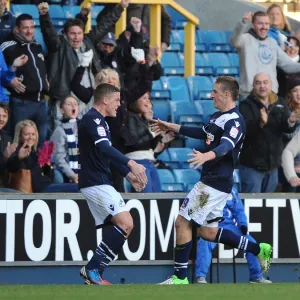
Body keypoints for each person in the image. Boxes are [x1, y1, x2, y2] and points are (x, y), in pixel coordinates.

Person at [151, 76, 272, 285]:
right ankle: (258, 249)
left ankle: (179, 278)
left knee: (182, 222)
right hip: (214, 181)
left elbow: (226, 146)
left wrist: (206, 156)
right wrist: (168, 125)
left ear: (227, 94)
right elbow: (201, 132)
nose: (211, 95)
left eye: (215, 92)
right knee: (208, 232)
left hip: (213, 183)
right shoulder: (218, 116)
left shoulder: (235, 121)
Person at [78, 83, 147, 285]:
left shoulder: (100, 121)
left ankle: (94, 272)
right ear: (105, 100)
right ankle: (92, 269)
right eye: (117, 100)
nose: (119, 104)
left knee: (121, 226)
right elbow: (106, 149)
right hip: (95, 181)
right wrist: (131, 163)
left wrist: (127, 174)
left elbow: (104, 155)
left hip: (99, 180)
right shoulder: (93, 120)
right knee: (126, 223)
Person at [196, 187, 272, 284]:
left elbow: (239, 210)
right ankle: (201, 277)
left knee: (251, 242)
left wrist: (243, 224)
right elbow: (198, 210)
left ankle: (256, 277)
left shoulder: (232, 190)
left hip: (229, 226)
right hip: (211, 226)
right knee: (204, 242)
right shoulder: (206, 188)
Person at [239, 73, 299, 193]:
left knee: (267, 206)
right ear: (253, 86)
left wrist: (291, 121)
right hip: (252, 167)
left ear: (271, 85)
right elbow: (243, 132)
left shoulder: (280, 102)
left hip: (272, 167)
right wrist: (261, 124)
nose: (262, 86)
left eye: (265, 82)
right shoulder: (245, 105)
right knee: (253, 206)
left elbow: (286, 128)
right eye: (258, 83)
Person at [0, 13, 49, 147]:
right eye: (25, 28)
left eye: (32, 27)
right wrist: (9, 81)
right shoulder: (7, 46)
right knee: (18, 140)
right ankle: (16, 168)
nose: (29, 31)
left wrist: (45, 80)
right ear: (16, 29)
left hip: (41, 102)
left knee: (40, 141)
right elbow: (2, 70)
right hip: (22, 103)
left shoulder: (36, 46)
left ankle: (38, 168)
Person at [230, 11, 300, 98]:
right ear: (253, 25)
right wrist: (243, 22)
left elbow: (288, 65)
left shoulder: (272, 42)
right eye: (260, 23)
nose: (264, 27)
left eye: (266, 24)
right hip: (249, 95)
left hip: (271, 95)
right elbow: (233, 41)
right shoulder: (245, 39)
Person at [6, 120, 78, 193]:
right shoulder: (17, 151)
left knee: (80, 186)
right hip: (40, 189)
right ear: (20, 136)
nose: (31, 137)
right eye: (27, 134)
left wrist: (48, 164)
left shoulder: (36, 152)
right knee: (79, 187)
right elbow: (10, 167)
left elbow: (49, 177)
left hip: (48, 186)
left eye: (33, 134)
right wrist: (19, 157)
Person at [50, 96, 80, 184]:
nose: (73, 106)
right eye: (69, 104)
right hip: (66, 172)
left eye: (75, 104)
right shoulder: (59, 130)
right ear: (62, 110)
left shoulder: (84, 126)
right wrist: (72, 174)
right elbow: (58, 158)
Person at [0, 101, 18, 192]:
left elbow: (12, 169)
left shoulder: (7, 138)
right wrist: (5, 157)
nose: (1, 119)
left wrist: (19, 158)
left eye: (4, 116)